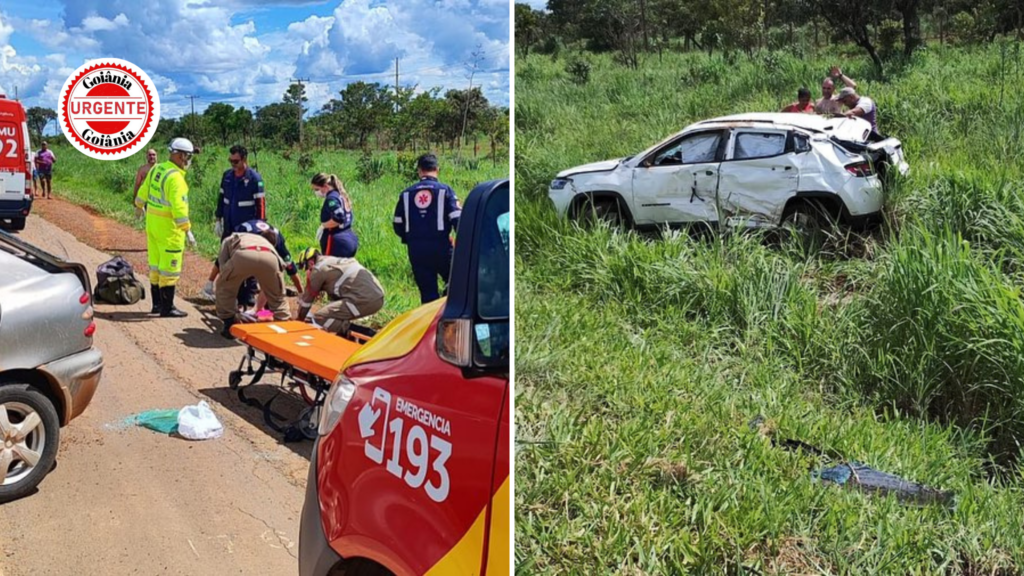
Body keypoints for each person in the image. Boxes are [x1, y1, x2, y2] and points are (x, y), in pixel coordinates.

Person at [133, 137, 197, 318]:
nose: (189, 161)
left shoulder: (157, 169)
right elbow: (180, 209)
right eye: (188, 157)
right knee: (169, 269)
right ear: (181, 156)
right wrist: (187, 230)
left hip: (152, 226)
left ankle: (157, 305)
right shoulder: (176, 179)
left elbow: (143, 190)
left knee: (155, 266)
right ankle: (167, 308)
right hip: (169, 230)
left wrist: (138, 206)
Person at [392, 153, 461, 304]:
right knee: (457, 284)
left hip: (416, 250)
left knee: (427, 293)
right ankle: (448, 316)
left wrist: (410, 238)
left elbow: (397, 224)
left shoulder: (406, 194)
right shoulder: (445, 191)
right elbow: (458, 219)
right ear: (437, 169)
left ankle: (431, 323)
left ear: (419, 170)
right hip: (442, 246)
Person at [206, 146, 266, 299]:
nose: (233, 164)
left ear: (244, 159)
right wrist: (218, 219)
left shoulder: (254, 179)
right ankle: (224, 288)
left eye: (236, 161)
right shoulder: (227, 177)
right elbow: (221, 199)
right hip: (229, 225)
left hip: (247, 228)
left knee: (248, 258)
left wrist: (259, 227)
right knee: (225, 256)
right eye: (230, 160)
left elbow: (260, 205)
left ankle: (249, 292)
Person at [205, 219, 303, 307]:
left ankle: (256, 298)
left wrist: (301, 293)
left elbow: (291, 269)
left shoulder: (279, 242)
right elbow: (226, 256)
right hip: (240, 242)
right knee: (232, 272)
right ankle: (210, 286)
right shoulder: (244, 233)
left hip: (256, 241)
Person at [215, 228, 291, 338]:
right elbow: (281, 268)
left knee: (225, 289)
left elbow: (223, 269)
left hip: (243, 254)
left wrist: (231, 280)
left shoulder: (232, 238)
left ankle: (229, 325)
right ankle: (284, 327)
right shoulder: (269, 246)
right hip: (270, 258)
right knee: (278, 298)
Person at [295, 248, 385, 337]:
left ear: (311, 263)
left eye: (305, 267)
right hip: (375, 295)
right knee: (331, 313)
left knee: (320, 318)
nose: (306, 271)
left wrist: (298, 321)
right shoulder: (331, 261)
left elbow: (306, 302)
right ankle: (350, 331)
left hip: (365, 299)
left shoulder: (318, 270)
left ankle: (364, 334)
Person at [311, 173, 358, 258]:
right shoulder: (341, 195)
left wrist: (323, 226)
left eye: (317, 189)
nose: (316, 192)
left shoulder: (331, 198)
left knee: (331, 269)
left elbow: (339, 217)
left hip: (337, 242)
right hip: (349, 237)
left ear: (325, 186)